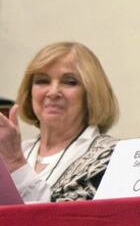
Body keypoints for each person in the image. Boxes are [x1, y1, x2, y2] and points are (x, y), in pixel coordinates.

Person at [0, 42, 119, 202]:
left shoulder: (109, 156)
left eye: (69, 82)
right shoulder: (19, 150)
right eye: (42, 81)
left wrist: (15, 163)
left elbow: (61, 221)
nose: (53, 92)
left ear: (91, 93)